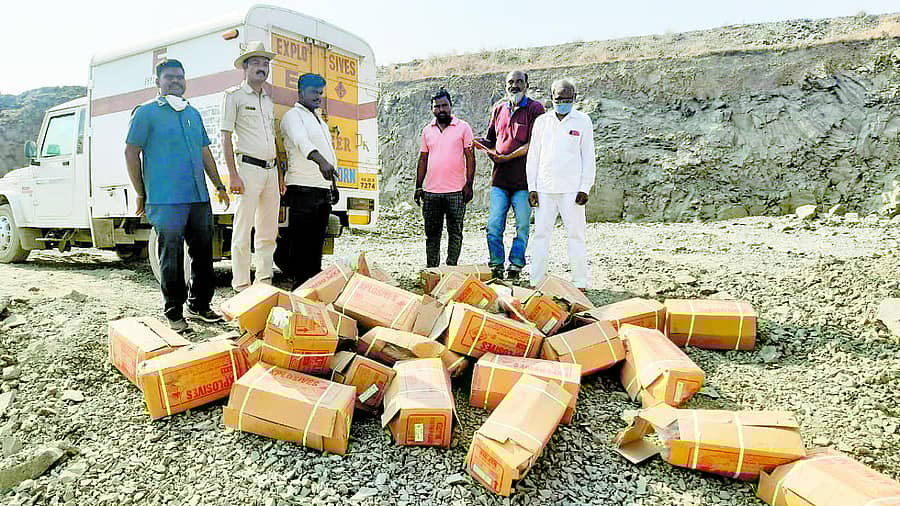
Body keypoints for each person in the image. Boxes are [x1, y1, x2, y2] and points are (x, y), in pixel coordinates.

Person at [125, 59, 230, 331]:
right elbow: (131, 152)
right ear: (157, 81)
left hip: (198, 196)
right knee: (171, 256)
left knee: (204, 254)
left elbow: (205, 151)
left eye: (180, 77)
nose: (175, 81)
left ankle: (200, 305)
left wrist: (218, 184)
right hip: (165, 198)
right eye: (169, 77)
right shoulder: (146, 113)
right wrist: (140, 192)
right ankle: (174, 312)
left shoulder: (192, 113)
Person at [221, 41, 283, 294]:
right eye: (256, 63)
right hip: (247, 169)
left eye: (265, 63)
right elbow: (225, 136)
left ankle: (264, 282)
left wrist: (279, 175)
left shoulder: (268, 101)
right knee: (243, 229)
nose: (262, 68)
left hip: (270, 171)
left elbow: (273, 139)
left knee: (268, 231)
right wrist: (233, 175)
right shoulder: (233, 96)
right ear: (245, 67)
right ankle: (241, 286)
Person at [525, 78, 595, 290]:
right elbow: (533, 156)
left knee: (576, 235)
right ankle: (536, 280)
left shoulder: (583, 121)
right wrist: (532, 187)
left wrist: (585, 187)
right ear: (551, 98)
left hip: (572, 190)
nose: (562, 102)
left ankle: (580, 282)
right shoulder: (542, 122)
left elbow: (588, 156)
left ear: (574, 98)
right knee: (541, 235)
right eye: (558, 98)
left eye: (567, 98)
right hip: (545, 189)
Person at [477, 71, 545, 280]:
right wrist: (476, 142)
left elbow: (534, 143)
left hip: (523, 181)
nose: (514, 86)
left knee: (522, 226)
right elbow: (491, 140)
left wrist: (508, 157)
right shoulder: (498, 109)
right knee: (494, 224)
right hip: (500, 180)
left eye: (518, 82)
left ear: (526, 84)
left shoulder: (535, 109)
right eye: (510, 82)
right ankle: (496, 264)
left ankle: (515, 265)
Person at [280, 73, 339, 289]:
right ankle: (298, 291)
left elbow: (328, 152)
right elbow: (301, 142)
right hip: (302, 190)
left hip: (321, 190)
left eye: (321, 92)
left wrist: (333, 184)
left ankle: (311, 293)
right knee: (300, 246)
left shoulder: (319, 120)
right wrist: (322, 162)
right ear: (301, 92)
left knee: (315, 247)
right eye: (314, 91)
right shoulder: (293, 116)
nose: (318, 96)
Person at [414, 89, 475, 268]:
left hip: (456, 192)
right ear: (432, 109)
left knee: (455, 233)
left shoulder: (463, 127)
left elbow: (470, 157)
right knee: (432, 235)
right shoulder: (427, 131)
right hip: (431, 193)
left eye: (444, 105)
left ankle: (451, 270)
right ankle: (432, 271)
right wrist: (419, 186)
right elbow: (423, 159)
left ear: (450, 106)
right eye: (437, 106)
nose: (441, 109)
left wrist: (469, 185)